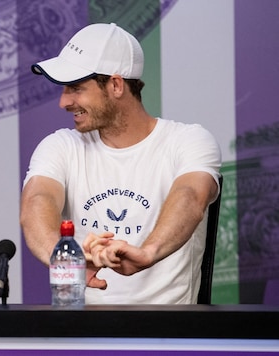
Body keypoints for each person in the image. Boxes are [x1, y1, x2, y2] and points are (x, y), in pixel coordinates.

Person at [20, 23, 221, 304]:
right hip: (82, 337)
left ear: (116, 85)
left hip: (170, 336)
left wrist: (147, 252)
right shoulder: (60, 145)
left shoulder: (188, 140)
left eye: (76, 88)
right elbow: (36, 202)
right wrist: (67, 261)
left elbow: (191, 196)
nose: (64, 102)